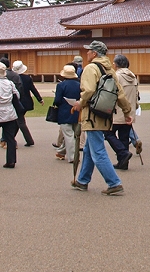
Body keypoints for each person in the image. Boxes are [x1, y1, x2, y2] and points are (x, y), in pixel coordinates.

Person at [70, 41, 132, 196]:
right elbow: (120, 93)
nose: (87, 53)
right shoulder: (109, 70)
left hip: (92, 114)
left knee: (97, 151)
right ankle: (83, 180)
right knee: (90, 149)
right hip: (105, 114)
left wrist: (80, 102)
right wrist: (127, 111)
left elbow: (89, 90)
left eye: (89, 51)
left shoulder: (91, 68)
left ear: (95, 53)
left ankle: (114, 182)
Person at [105, 54, 138, 170]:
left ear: (117, 64)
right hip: (130, 111)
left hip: (117, 111)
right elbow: (136, 95)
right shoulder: (133, 76)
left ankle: (122, 153)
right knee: (124, 136)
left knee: (108, 133)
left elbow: (111, 94)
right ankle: (123, 162)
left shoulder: (116, 76)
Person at [53, 65, 82, 162]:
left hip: (64, 112)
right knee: (73, 134)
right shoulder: (79, 85)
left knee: (69, 135)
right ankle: (61, 151)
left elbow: (57, 100)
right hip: (77, 111)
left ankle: (73, 157)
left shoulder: (61, 85)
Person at [14, 60, 43, 147]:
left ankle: (28, 140)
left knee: (20, 121)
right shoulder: (27, 78)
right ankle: (10, 138)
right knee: (18, 121)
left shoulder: (13, 78)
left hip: (18, 102)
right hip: (26, 102)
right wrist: (39, 99)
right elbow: (33, 89)